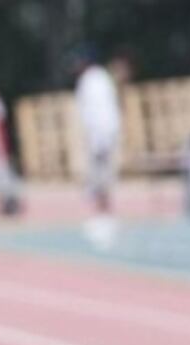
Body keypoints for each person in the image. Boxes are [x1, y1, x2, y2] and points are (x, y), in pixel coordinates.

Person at [74, 46, 122, 246]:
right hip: (106, 131)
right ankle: (103, 212)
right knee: (101, 174)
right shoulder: (102, 77)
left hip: (100, 133)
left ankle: (104, 213)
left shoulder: (90, 80)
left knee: (100, 174)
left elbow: (94, 111)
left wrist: (95, 137)